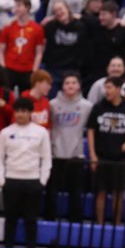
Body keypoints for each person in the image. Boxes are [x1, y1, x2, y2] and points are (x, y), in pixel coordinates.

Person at [0, 96, 52, 248]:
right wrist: (2, 181)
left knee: (31, 218)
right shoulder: (5, 132)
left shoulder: (41, 132)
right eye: (18, 111)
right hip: (11, 180)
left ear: (30, 113)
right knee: (10, 217)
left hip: (33, 181)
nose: (20, 114)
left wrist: (42, 181)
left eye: (24, 111)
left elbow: (46, 159)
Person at [87, 77, 125, 225]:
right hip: (101, 156)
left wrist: (123, 147)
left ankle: (116, 225)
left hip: (120, 158)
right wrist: (92, 154)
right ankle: (100, 225)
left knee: (118, 193)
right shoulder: (98, 107)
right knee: (100, 192)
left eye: (109, 87)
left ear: (118, 89)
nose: (106, 91)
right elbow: (91, 130)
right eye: (105, 88)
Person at [46, 71, 91, 222]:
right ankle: (50, 221)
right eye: (67, 83)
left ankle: (75, 223)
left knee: (76, 193)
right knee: (52, 193)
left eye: (73, 82)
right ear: (62, 86)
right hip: (55, 155)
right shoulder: (52, 104)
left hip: (76, 156)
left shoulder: (86, 106)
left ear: (79, 86)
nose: (70, 85)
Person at [0, 0, 45, 95]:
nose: (16, 9)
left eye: (19, 6)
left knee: (26, 97)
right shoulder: (8, 27)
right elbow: (1, 50)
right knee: (7, 96)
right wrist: (3, 68)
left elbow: (39, 52)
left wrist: (34, 70)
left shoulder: (37, 29)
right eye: (16, 6)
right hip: (10, 68)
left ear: (27, 8)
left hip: (28, 69)